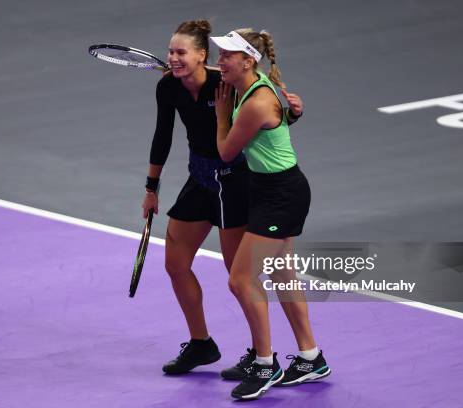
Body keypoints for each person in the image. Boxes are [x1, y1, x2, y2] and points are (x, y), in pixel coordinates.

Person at [142, 20, 304, 377]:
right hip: (200, 179)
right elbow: (162, 136)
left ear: (202, 56)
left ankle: (261, 354)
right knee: (175, 264)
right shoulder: (168, 86)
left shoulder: (225, 82)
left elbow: (271, 107)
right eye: (171, 52)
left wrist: (294, 108)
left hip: (235, 184)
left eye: (181, 52)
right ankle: (201, 344)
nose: (173, 57)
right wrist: (151, 188)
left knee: (239, 276)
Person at [211, 28, 331, 400]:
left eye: (228, 55)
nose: (221, 61)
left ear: (248, 61)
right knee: (282, 275)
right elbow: (284, 115)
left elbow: (227, 152)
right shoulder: (253, 81)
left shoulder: (255, 102)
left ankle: (265, 364)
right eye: (219, 54)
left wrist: (220, 116)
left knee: (240, 280)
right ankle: (310, 357)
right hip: (268, 190)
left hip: (282, 195)